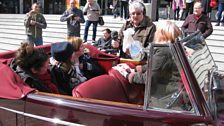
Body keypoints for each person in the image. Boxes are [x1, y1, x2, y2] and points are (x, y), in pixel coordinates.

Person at [113, 20, 182, 98]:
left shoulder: (164, 51)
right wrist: (136, 69)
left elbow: (148, 78)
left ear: (161, 33)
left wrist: (127, 75)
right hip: (171, 92)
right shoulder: (173, 47)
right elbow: (157, 66)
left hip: (162, 97)